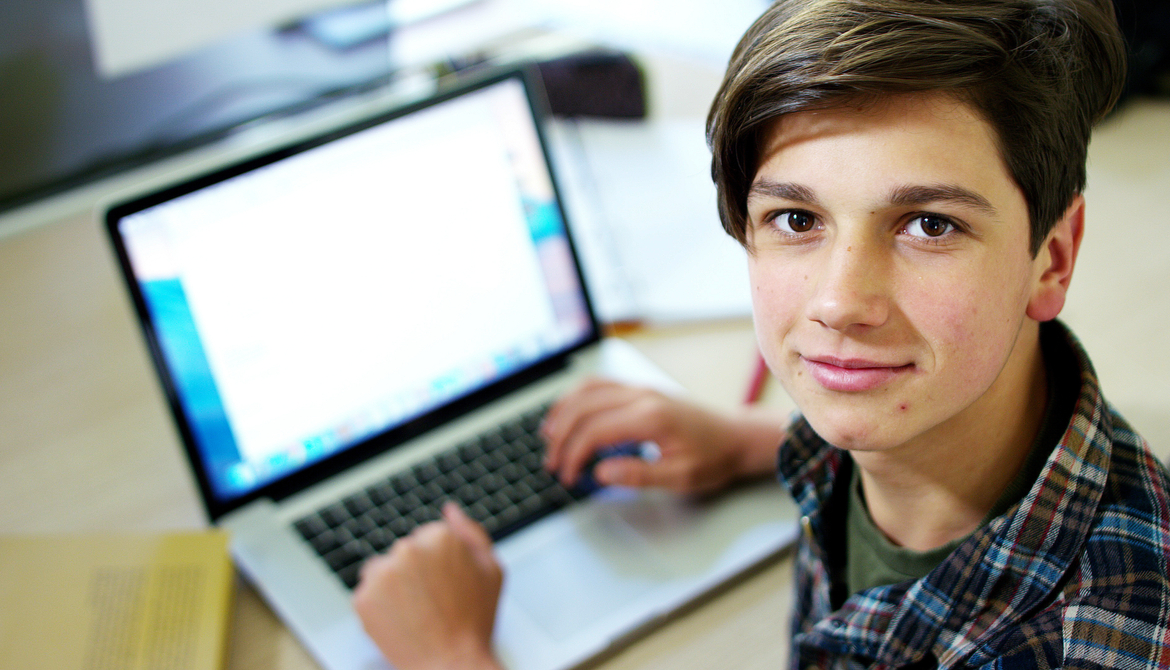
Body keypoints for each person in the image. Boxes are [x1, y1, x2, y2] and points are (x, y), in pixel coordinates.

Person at [352, 0, 1170, 667]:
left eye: (928, 223)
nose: (841, 304)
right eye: (796, 217)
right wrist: (747, 441)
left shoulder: (1087, 646)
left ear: (1052, 259)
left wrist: (452, 659)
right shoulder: (913, 420)